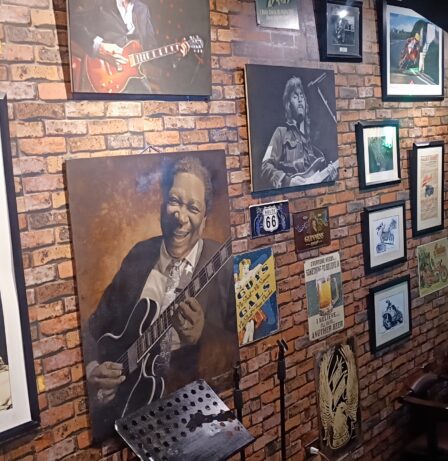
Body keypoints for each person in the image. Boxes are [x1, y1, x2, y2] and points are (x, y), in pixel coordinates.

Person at [84, 156, 234, 435]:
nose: (180, 217)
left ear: (204, 219)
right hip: (132, 414)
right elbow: (96, 327)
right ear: (162, 204)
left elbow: (241, 338)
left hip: (192, 414)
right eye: (175, 201)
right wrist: (93, 368)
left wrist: (203, 335)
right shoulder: (139, 255)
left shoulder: (222, 264)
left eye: (193, 207)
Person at [71, 0, 190, 93]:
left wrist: (176, 54)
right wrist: (99, 47)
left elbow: (151, 50)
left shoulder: (142, 9)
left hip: (133, 78)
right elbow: (72, 22)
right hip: (100, 73)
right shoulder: (99, 2)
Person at [260, 76, 339, 189]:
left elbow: (313, 180)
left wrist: (329, 178)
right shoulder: (281, 132)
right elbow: (265, 167)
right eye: (295, 96)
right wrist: (288, 181)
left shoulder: (311, 143)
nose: (300, 99)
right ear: (288, 104)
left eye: (302, 96)